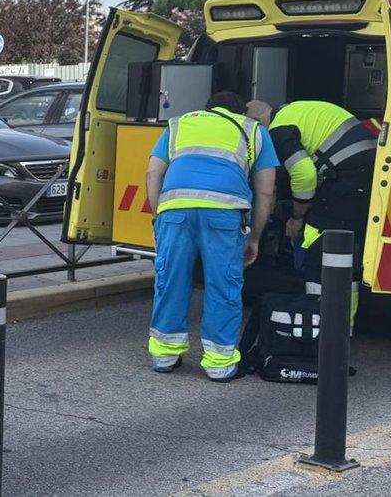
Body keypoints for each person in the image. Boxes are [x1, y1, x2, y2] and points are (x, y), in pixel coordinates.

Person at [145, 91, 278, 381]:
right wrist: (254, 237)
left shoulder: (179, 124)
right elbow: (267, 191)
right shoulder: (252, 129)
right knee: (223, 283)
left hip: (175, 210)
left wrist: (159, 217)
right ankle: (220, 364)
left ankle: (165, 355)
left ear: (206, 110)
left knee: (171, 280)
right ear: (240, 111)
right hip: (224, 212)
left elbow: (153, 173)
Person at [246, 99, 376, 317]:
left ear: (257, 122)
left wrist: (298, 216)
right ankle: (343, 328)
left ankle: (319, 326)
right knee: (345, 256)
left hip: (346, 176)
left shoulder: (279, 129)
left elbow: (304, 174)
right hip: (369, 171)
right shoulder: (295, 111)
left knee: (319, 248)